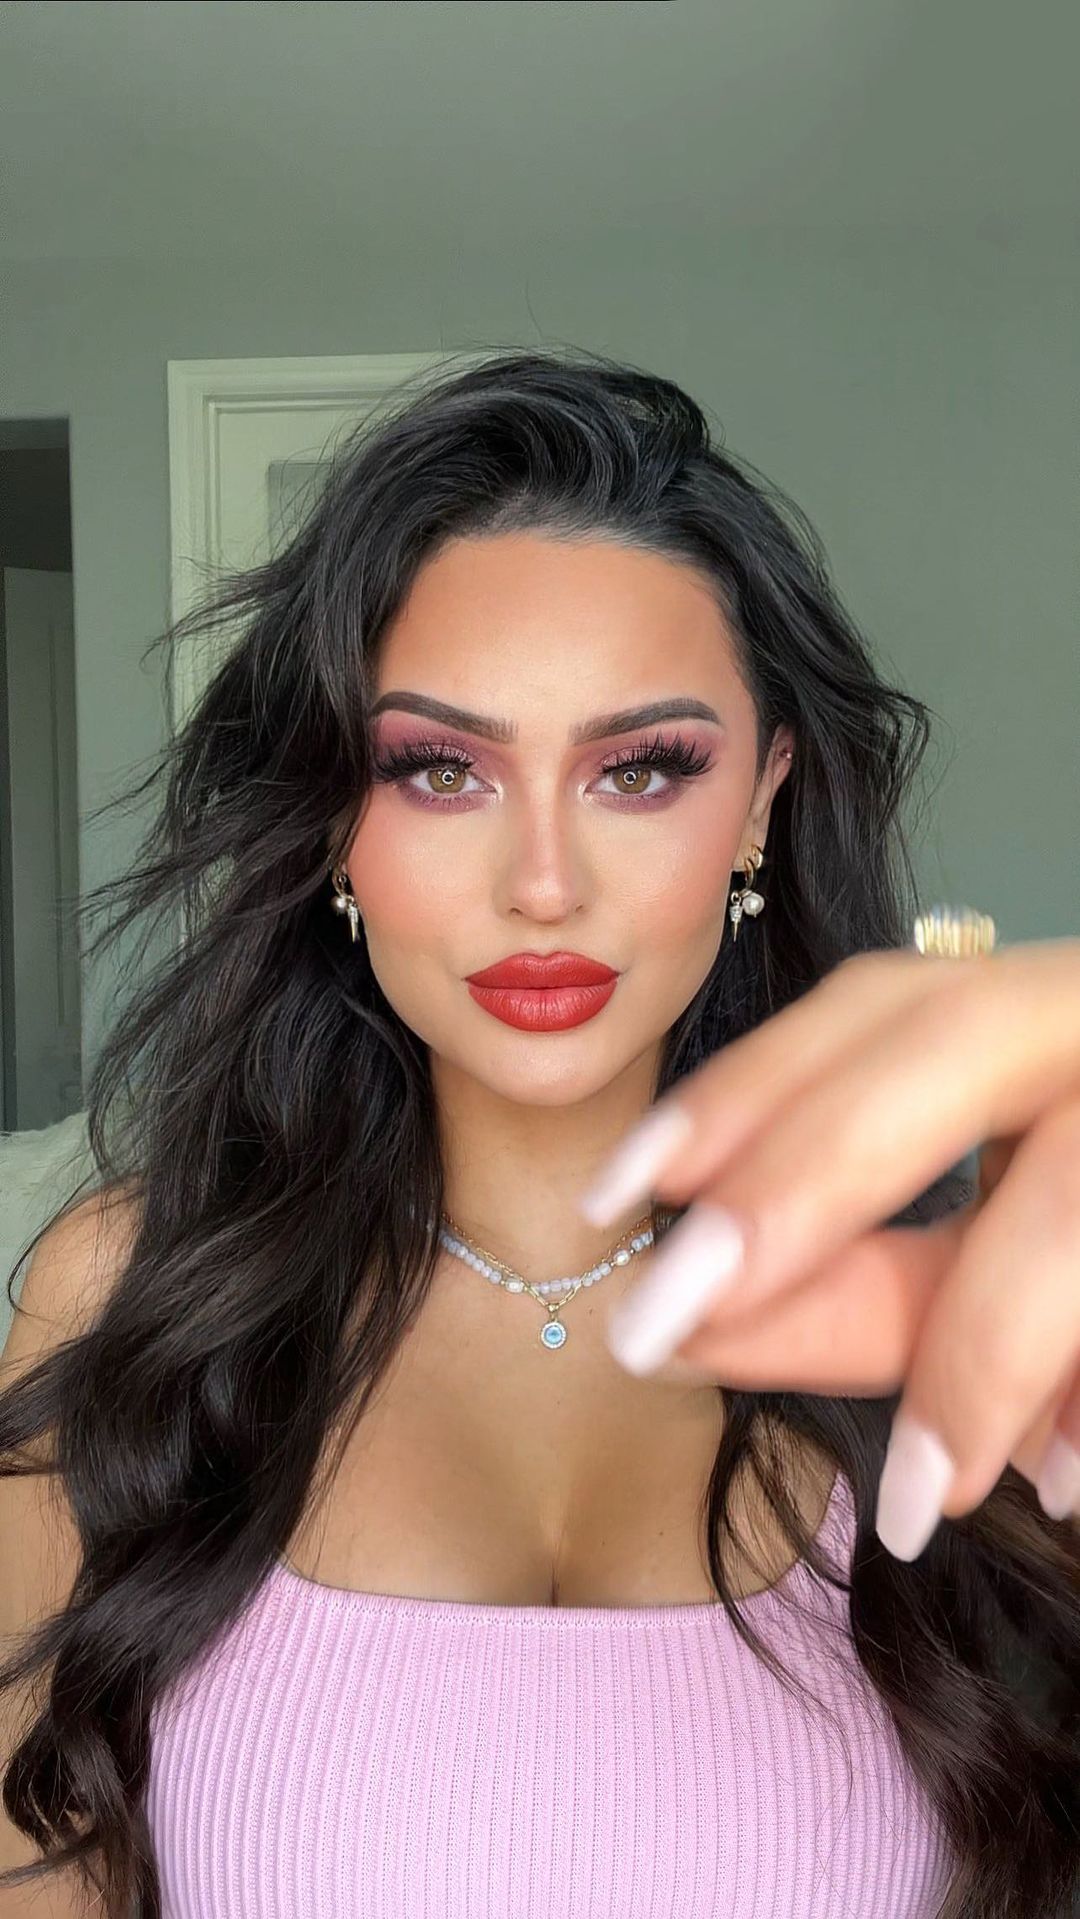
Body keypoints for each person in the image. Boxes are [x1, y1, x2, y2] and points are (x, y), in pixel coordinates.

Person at [1, 348, 1076, 1918]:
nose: (545, 884)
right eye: (442, 769)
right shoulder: (128, 1297)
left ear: (761, 799)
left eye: (641, 770)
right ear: (334, 819)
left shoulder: (966, 1321)